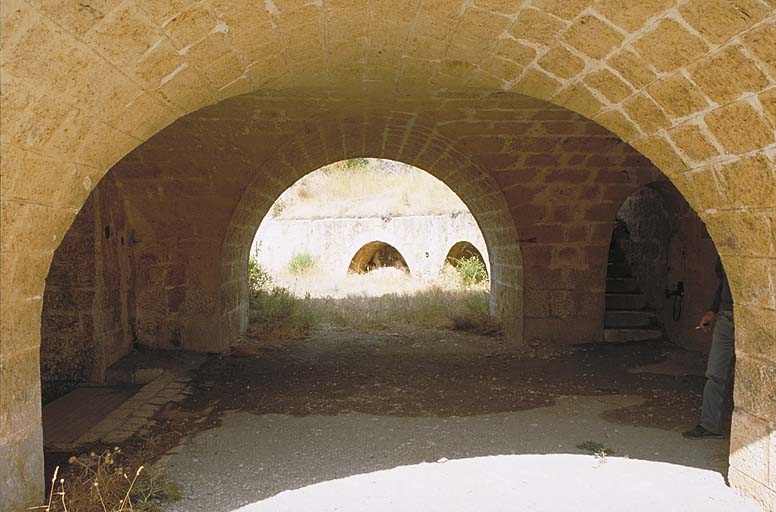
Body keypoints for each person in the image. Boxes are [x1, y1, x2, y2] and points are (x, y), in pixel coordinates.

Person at [683, 256, 735, 439]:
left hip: (751, 318)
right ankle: (709, 425)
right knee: (714, 374)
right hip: (726, 318)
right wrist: (712, 310)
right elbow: (723, 283)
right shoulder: (724, 252)